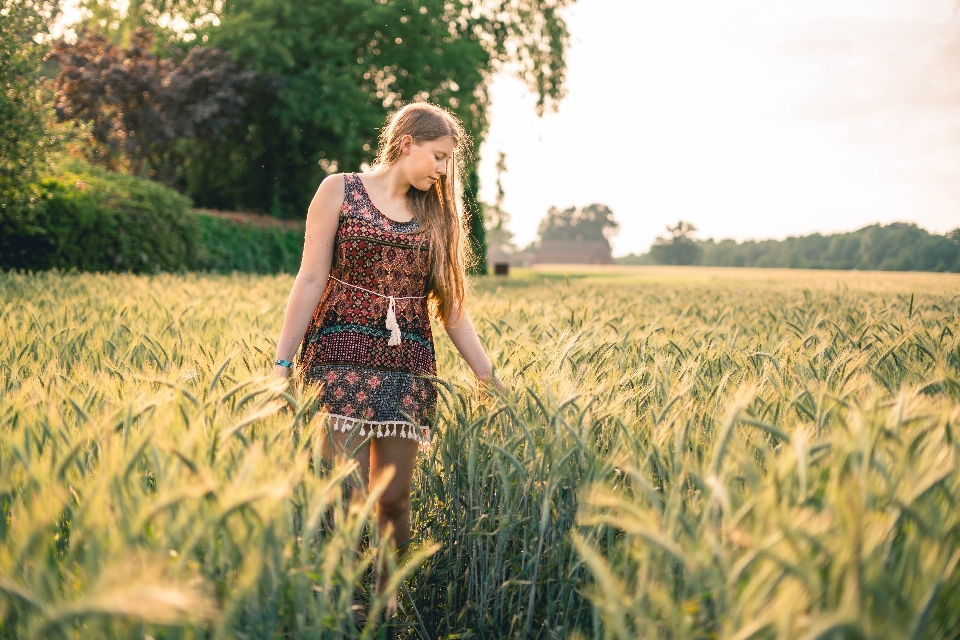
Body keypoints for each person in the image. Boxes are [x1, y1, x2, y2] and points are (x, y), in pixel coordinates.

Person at [272, 102, 503, 613]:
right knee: (349, 496)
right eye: (438, 157)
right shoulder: (339, 191)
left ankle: (388, 604)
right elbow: (310, 278)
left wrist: (486, 374)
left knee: (395, 500)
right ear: (406, 144)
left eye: (448, 161)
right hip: (337, 354)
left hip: (408, 367)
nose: (443, 170)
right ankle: (346, 603)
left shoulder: (437, 212)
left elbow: (452, 307)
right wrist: (282, 362)